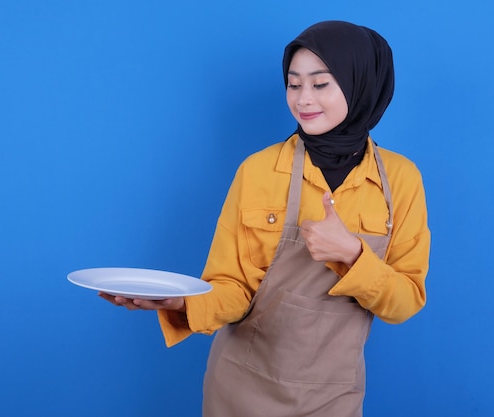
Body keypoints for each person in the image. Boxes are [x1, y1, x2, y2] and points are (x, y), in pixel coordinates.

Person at [99, 20, 430, 417]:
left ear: (361, 85)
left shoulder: (400, 180)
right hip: (242, 390)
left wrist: (353, 254)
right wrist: (181, 302)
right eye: (294, 84)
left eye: (320, 84)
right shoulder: (258, 170)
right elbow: (233, 288)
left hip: (335, 397)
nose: (303, 99)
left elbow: (406, 301)